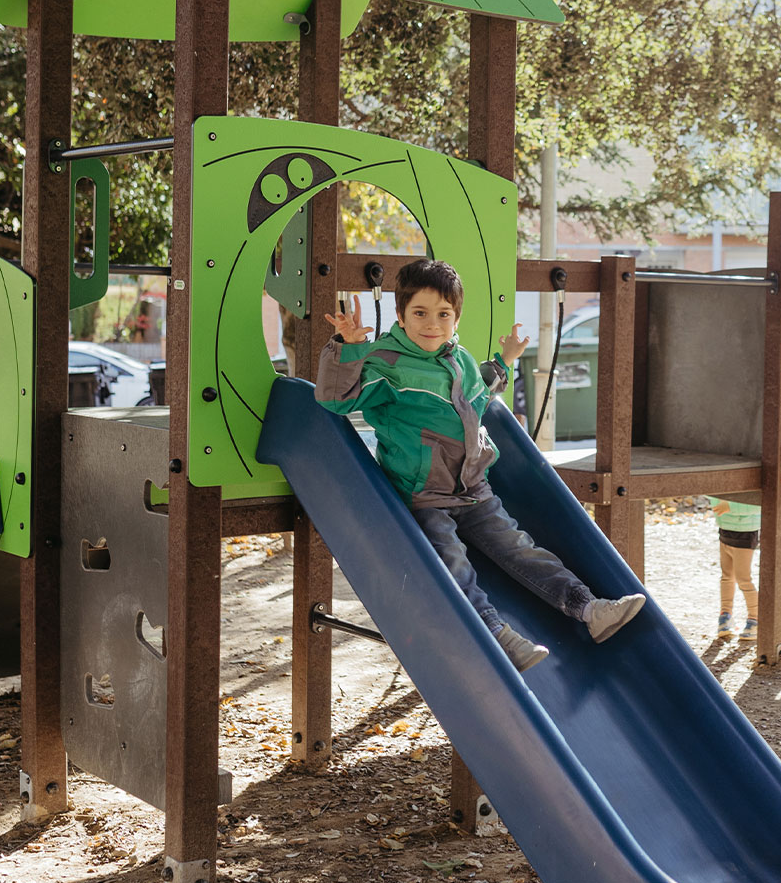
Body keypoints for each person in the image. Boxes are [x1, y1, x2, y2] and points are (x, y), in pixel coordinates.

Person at [314, 258, 645, 673]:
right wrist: (346, 346)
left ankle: (589, 609)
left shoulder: (460, 359)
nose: (432, 324)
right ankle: (495, 635)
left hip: (474, 488)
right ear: (400, 313)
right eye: (420, 313)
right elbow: (336, 399)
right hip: (424, 495)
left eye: (443, 314)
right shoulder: (386, 362)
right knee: (453, 562)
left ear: (456, 317)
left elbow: (479, 395)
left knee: (520, 548)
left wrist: (505, 360)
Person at [709, 498, 758, 642]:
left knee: (743, 579)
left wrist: (731, 507)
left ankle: (755, 618)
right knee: (727, 576)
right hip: (725, 528)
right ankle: (725, 616)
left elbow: (758, 504)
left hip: (745, 532)